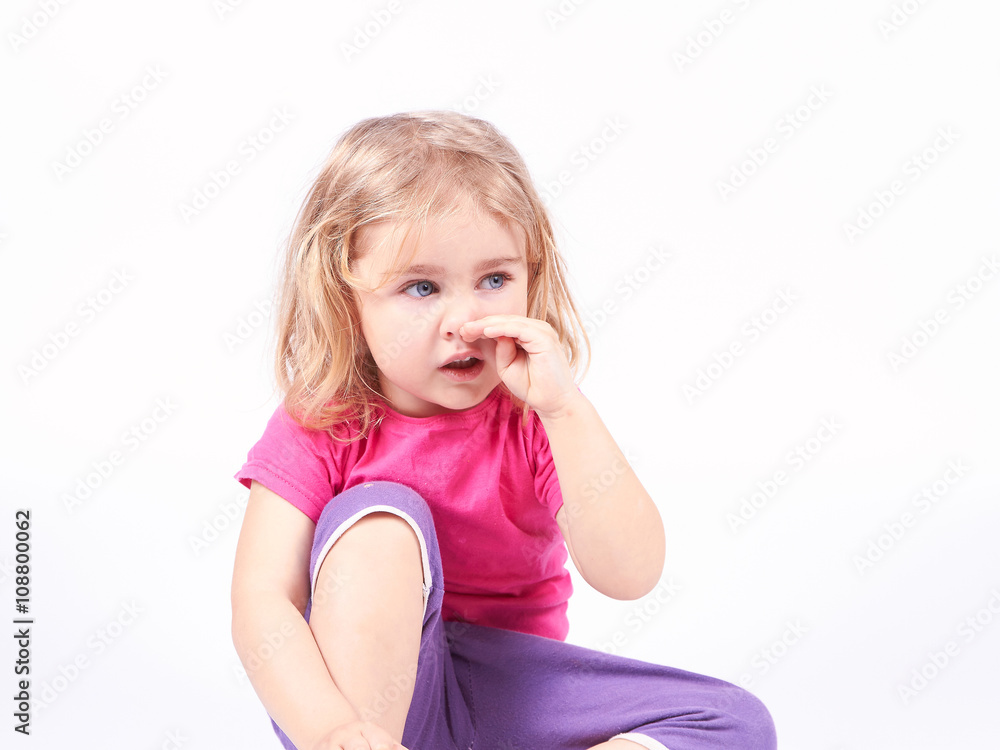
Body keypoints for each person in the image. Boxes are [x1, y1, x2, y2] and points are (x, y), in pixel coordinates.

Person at [231, 110, 777, 750]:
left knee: (733, 722)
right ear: (346, 298)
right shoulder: (323, 421)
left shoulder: (536, 418)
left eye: (494, 279)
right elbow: (262, 601)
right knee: (379, 517)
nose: (465, 319)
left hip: (512, 695)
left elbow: (631, 574)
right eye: (422, 287)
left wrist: (565, 410)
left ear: (531, 274)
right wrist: (332, 731)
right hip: (368, 711)